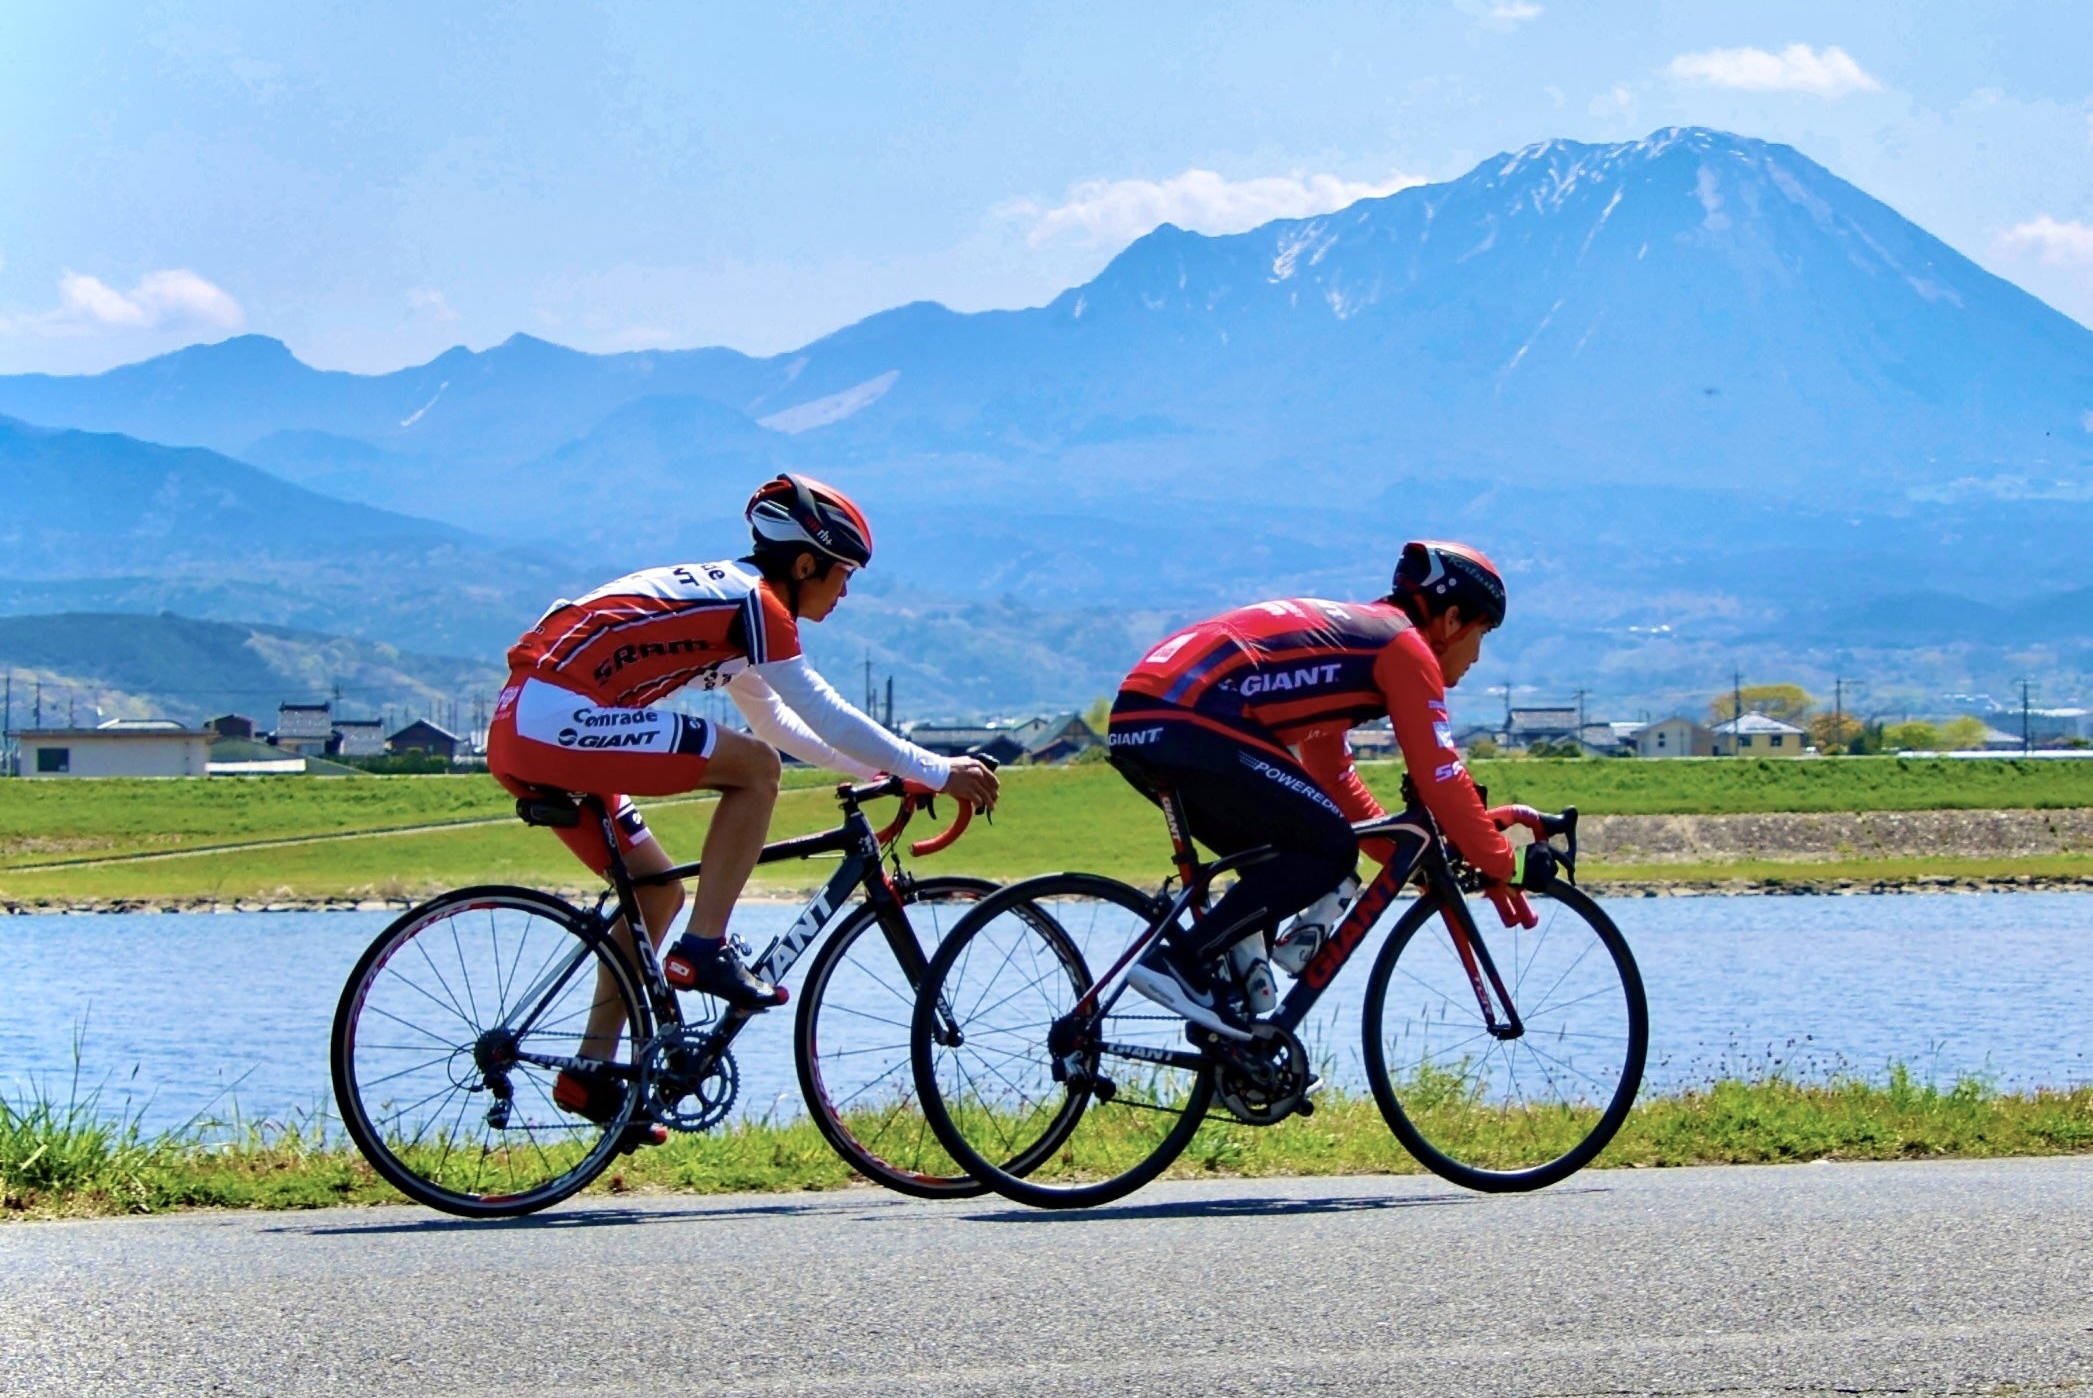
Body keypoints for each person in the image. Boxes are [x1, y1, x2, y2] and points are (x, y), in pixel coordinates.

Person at [487, 472, 999, 1131]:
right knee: (755, 770)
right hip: (554, 718)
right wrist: (935, 768)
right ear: (805, 564)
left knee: (655, 892)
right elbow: (823, 712)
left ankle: (591, 1072)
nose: (846, 591)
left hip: (529, 724)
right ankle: (704, 948)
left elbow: (779, 723)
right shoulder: (758, 604)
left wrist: (889, 774)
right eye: (843, 574)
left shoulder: (734, 606)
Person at [1103, 540, 1538, 1034]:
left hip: (1142, 715)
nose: (1478, 655)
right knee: (1328, 852)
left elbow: (1335, 779)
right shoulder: (1405, 648)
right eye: (1483, 633)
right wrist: (1503, 861)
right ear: (1452, 619)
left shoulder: (1351, 645)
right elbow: (1439, 774)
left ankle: (1230, 1032)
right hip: (1189, 715)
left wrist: (1406, 863)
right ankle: (1181, 964)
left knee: (1290, 856)